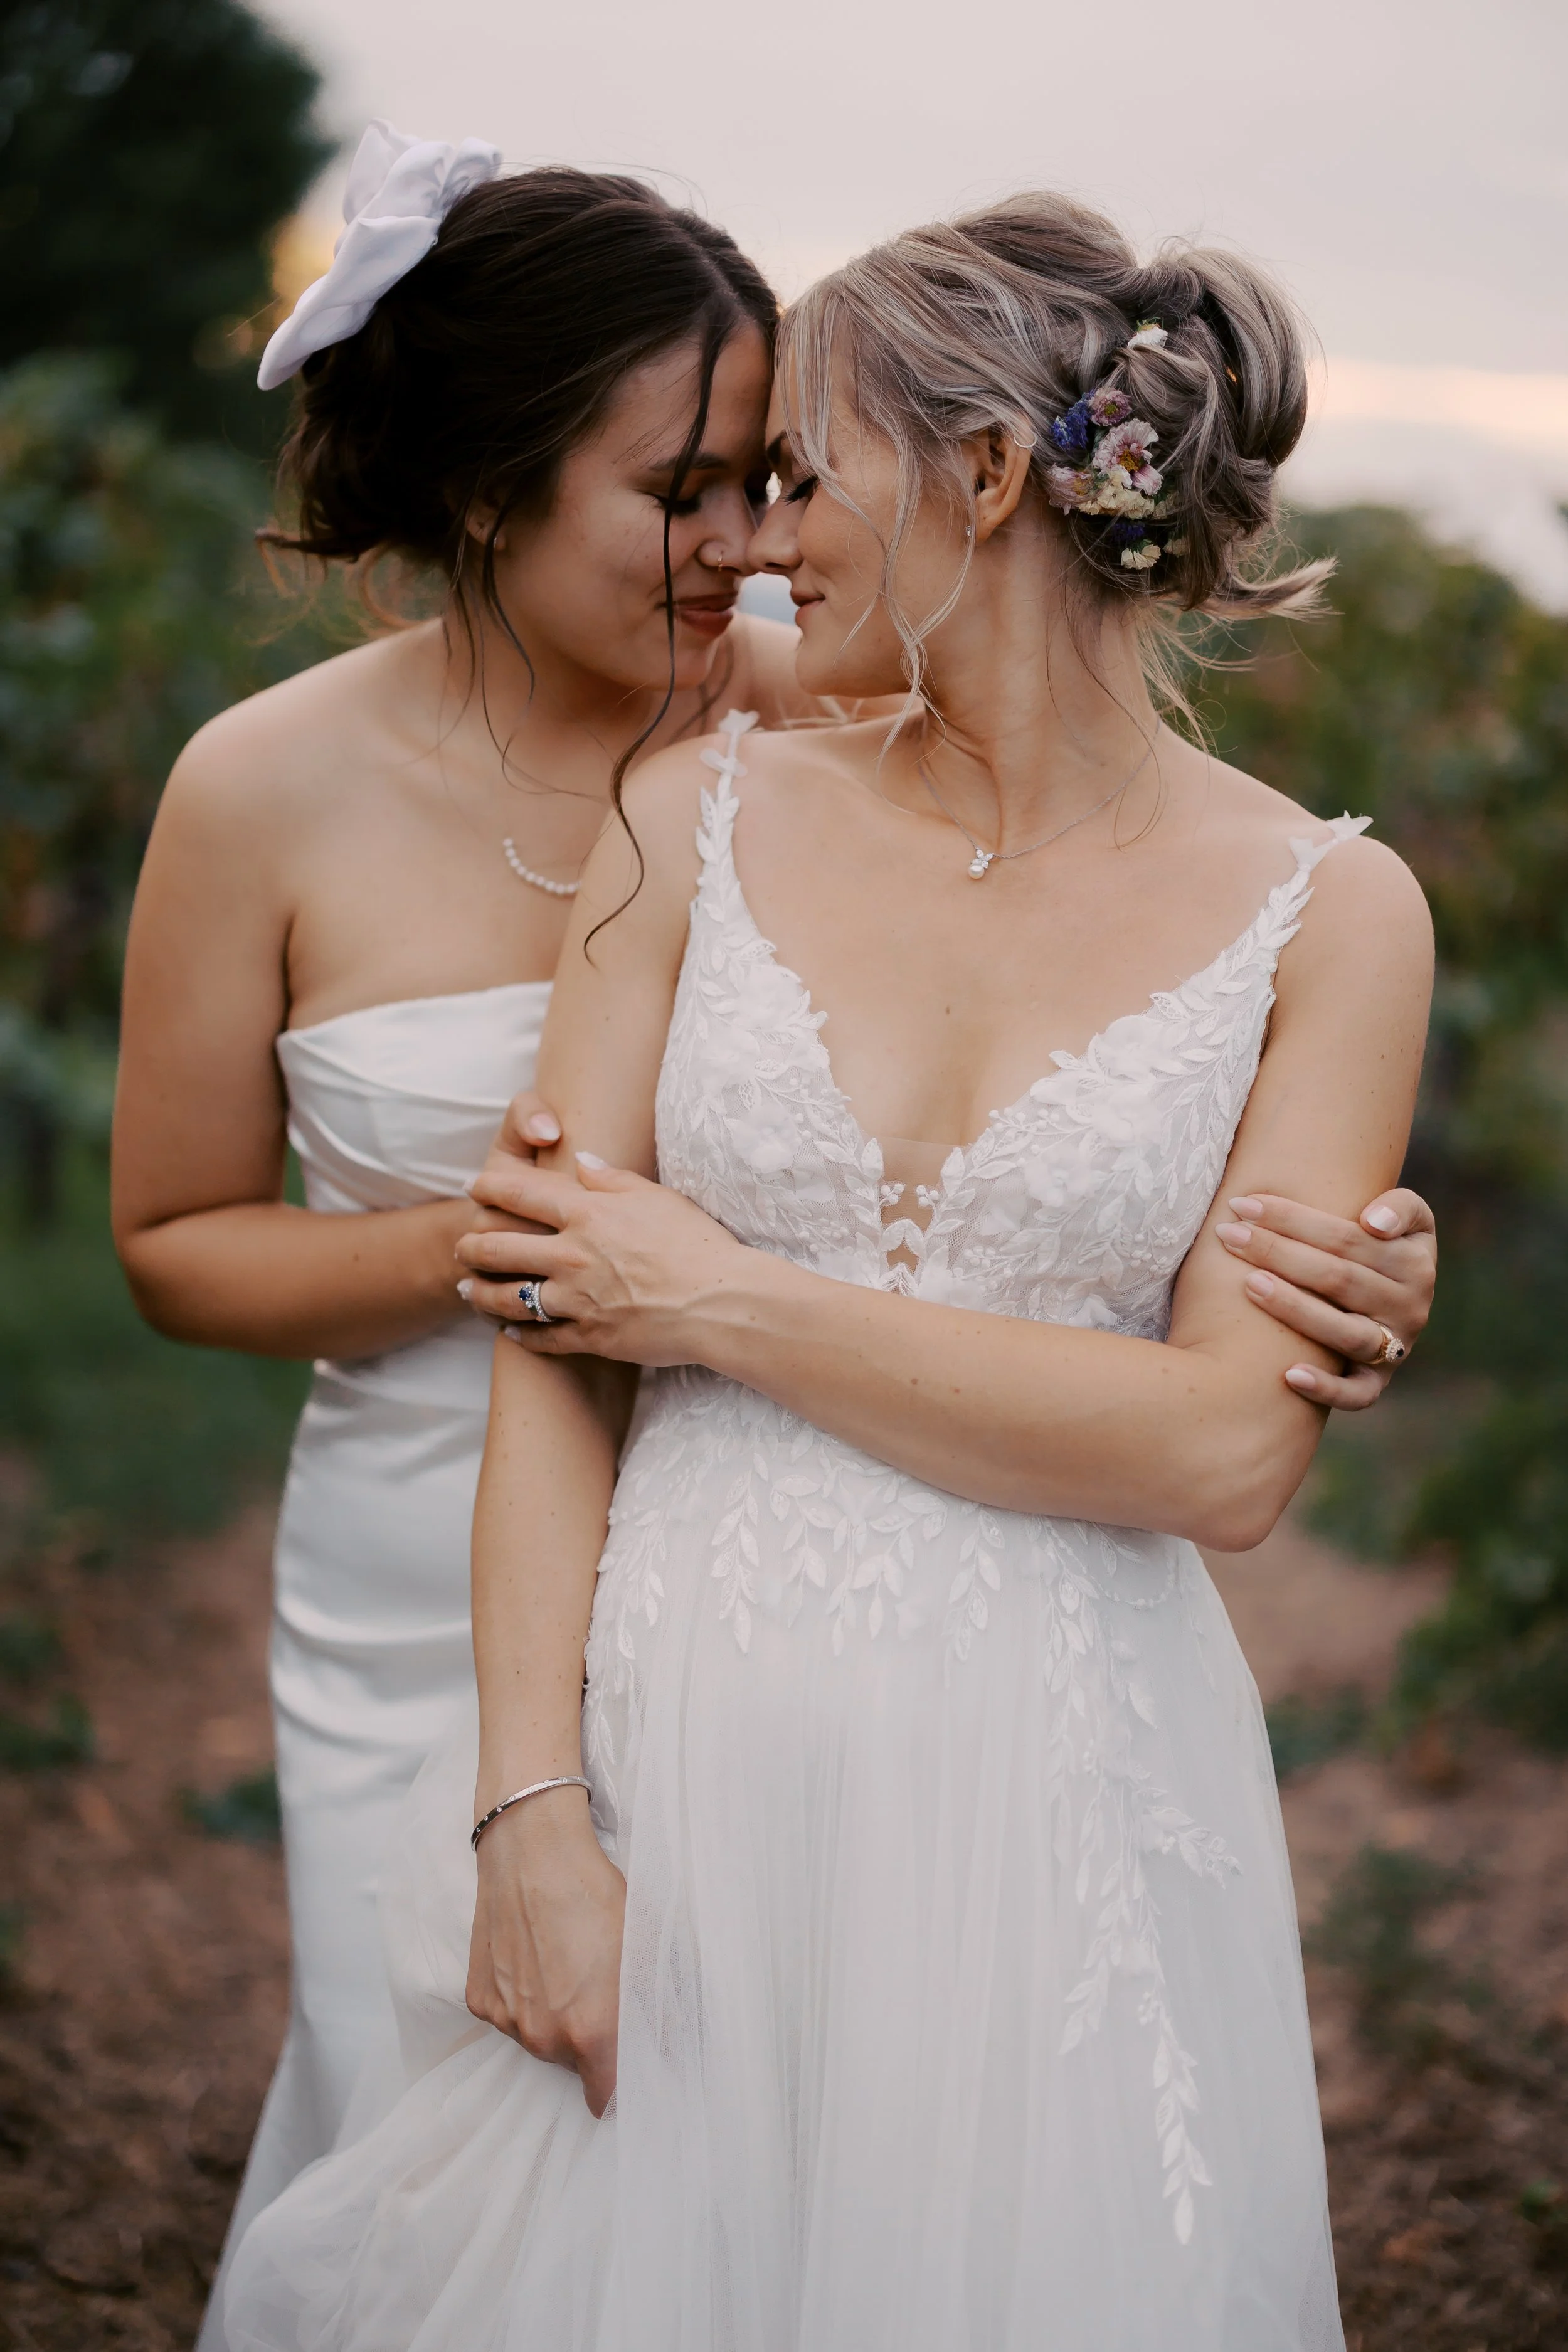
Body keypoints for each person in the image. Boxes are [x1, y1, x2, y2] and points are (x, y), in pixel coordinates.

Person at [223, 193, 1433, 2349]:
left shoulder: (1333, 918)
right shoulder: (692, 818)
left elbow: (1225, 1451)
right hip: (677, 1735)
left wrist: (712, 1298)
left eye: (803, 470)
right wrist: (531, 1814)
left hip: (1061, 1771)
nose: (757, 541)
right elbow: (551, 1349)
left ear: (983, 480)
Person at [109, 123, 801, 2344]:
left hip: (756, 1530)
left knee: (735, 2147)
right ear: (493, 482)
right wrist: (469, 1250)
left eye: (764, 479)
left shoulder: (805, 739)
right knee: (436, 2135)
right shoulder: (262, 787)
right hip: (409, 1574)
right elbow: (176, 1239)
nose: (736, 544)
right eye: (673, 488)